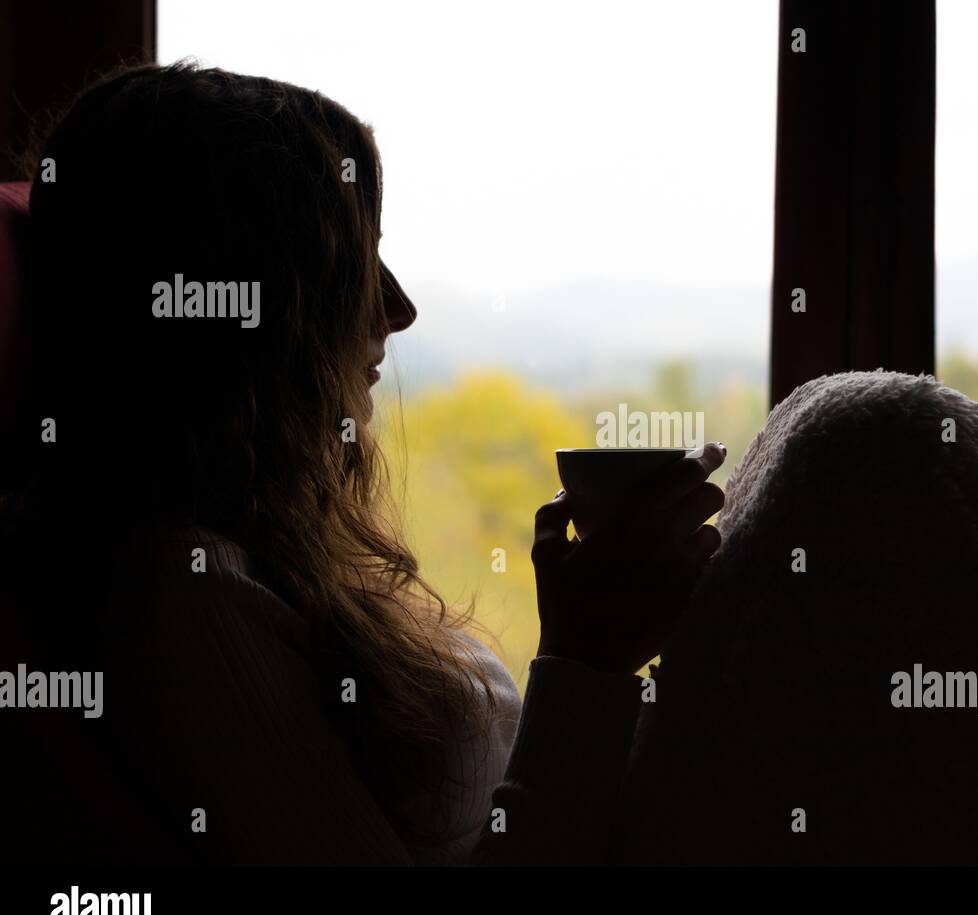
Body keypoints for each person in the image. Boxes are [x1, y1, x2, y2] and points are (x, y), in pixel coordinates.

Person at [0, 62, 724, 864]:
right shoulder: (181, 595)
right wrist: (589, 660)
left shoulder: (279, 555)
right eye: (352, 266)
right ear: (251, 314)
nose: (399, 308)